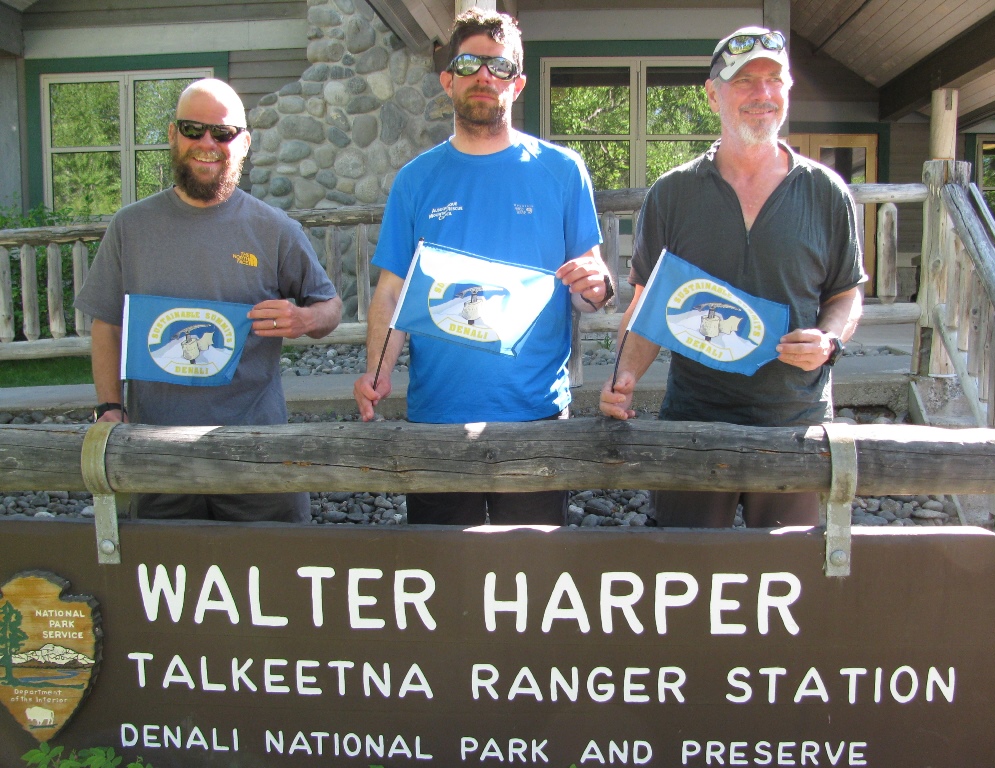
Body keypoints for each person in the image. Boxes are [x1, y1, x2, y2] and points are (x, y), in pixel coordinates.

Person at [599, 27, 867, 529]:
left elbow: (846, 294)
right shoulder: (673, 193)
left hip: (795, 422)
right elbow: (646, 308)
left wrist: (829, 338)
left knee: (790, 583)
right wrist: (625, 377)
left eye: (774, 80)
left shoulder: (827, 192)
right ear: (712, 92)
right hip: (694, 422)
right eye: (745, 81)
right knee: (686, 578)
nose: (762, 94)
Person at [353, 8, 612, 526]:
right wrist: (378, 372)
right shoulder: (415, 180)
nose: (483, 78)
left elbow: (592, 285)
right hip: (437, 416)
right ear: (448, 79)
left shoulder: (563, 172)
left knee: (533, 580)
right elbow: (391, 293)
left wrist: (597, 286)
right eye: (469, 64)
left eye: (499, 67)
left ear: (517, 83)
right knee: (444, 577)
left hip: (536, 415)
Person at [75, 78, 342, 523]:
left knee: (272, 579)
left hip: (257, 453)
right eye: (192, 129)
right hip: (157, 453)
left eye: (222, 133)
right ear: (171, 135)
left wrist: (303, 318)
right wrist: (109, 408)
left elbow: (330, 307)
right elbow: (107, 323)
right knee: (164, 584)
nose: (206, 143)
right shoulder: (131, 227)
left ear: (244, 143)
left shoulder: (274, 230)